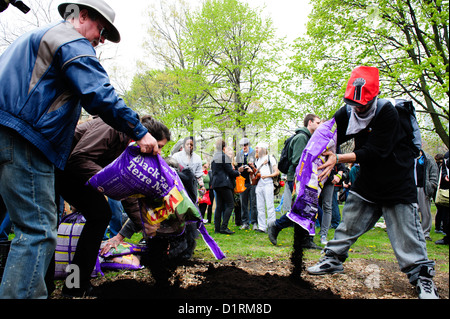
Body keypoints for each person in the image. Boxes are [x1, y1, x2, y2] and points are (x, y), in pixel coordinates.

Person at [0, 0, 159, 299]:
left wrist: (138, 218)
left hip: (12, 134)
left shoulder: (37, 38)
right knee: (37, 230)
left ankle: (64, 286)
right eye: (101, 30)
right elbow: (98, 93)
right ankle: (58, 288)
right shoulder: (70, 40)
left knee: (36, 226)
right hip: (26, 139)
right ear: (82, 15)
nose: (100, 40)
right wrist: (139, 132)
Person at [307, 65, 439, 299]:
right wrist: (311, 165)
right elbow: (328, 134)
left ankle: (423, 278)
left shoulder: (389, 112)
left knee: (407, 233)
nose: (358, 108)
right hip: (368, 181)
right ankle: (332, 260)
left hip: (397, 179)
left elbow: (376, 151)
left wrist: (337, 158)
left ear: (374, 98)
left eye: (363, 105)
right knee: (348, 223)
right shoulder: (347, 111)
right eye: (353, 103)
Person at [55, 115, 170, 297]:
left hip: (70, 172)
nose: (158, 152)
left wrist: (149, 229)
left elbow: (129, 195)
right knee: (95, 215)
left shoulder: (131, 151)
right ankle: (68, 285)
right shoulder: (113, 126)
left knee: (100, 215)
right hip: (58, 167)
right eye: (159, 146)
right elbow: (79, 158)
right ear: (146, 137)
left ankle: (74, 284)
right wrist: (111, 182)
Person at [267, 114, 321, 246]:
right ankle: (276, 225)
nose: (320, 125)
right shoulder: (302, 138)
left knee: (307, 210)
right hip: (298, 179)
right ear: (310, 123)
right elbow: (298, 161)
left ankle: (306, 239)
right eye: (318, 122)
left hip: (305, 178)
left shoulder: (308, 137)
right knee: (301, 209)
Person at [210, 139, 240, 234]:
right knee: (230, 204)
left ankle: (217, 228)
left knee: (219, 206)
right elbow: (230, 171)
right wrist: (238, 172)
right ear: (223, 147)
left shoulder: (214, 157)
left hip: (216, 184)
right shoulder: (224, 157)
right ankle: (224, 227)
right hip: (224, 183)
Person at [253, 143, 279, 233]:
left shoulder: (270, 158)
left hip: (268, 184)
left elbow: (277, 172)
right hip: (259, 185)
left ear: (264, 148)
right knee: (260, 206)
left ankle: (271, 226)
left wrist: (267, 176)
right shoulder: (257, 159)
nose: (256, 149)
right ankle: (262, 227)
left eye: (258, 147)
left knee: (270, 205)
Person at [415, 149, 438, 241]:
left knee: (426, 212)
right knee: (412, 211)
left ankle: (425, 233)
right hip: (411, 188)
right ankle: (414, 232)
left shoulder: (428, 158)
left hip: (424, 188)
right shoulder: (410, 157)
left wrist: (432, 185)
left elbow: (434, 173)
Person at [172, 137, 205, 201]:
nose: (189, 146)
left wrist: (202, 186)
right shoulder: (176, 156)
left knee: (192, 202)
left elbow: (198, 175)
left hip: (192, 186)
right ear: (184, 145)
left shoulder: (197, 158)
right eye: (187, 144)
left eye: (191, 145)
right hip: (179, 184)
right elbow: (172, 171)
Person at [236, 138, 257, 230]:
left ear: (248, 145)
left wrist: (251, 168)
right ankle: (245, 223)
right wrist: (239, 170)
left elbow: (258, 168)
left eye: (245, 145)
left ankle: (254, 222)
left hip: (252, 181)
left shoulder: (254, 154)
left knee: (253, 203)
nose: (244, 147)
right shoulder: (239, 155)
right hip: (242, 182)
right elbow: (235, 167)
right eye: (242, 145)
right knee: (243, 203)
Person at [435, 151, 449, 245]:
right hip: (447, 190)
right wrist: (445, 176)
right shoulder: (447, 156)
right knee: (446, 215)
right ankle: (447, 237)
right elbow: (443, 170)